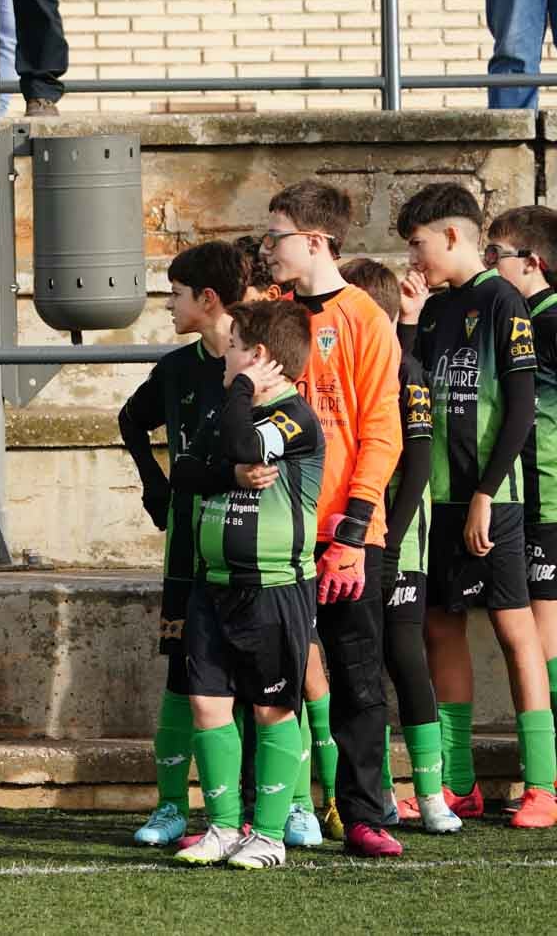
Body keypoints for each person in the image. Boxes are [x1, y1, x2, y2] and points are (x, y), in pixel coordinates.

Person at [396, 182, 557, 827]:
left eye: (418, 244)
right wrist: (407, 321)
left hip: (496, 501)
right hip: (438, 501)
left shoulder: (502, 302)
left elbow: (519, 408)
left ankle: (543, 784)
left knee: (517, 631)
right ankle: (457, 783)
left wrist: (487, 493)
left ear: (453, 236)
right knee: (441, 629)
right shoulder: (433, 309)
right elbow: (408, 387)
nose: (413, 258)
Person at [260, 181, 404, 857]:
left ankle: (366, 812)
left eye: (277, 236)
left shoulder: (367, 320)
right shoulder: (267, 315)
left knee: (356, 678)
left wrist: (350, 535)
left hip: (345, 537)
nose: (268, 249)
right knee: (262, 676)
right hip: (272, 530)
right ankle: (262, 815)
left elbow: (383, 433)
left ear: (314, 241)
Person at [171, 300, 324, 870]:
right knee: (207, 702)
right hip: (213, 585)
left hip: (274, 587)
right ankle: (221, 827)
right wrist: (229, 474)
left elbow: (245, 444)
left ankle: (269, 835)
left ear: (258, 358)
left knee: (271, 709)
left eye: (234, 347)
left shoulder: (293, 416)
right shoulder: (228, 411)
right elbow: (185, 472)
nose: (225, 357)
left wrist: (239, 396)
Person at [117, 241, 244, 847]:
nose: (169, 304)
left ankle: (275, 806)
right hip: (189, 548)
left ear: (208, 299)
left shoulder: (259, 364)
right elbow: (130, 420)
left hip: (251, 549)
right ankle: (170, 807)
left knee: (264, 680)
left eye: (176, 293)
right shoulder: (176, 368)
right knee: (180, 674)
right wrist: (156, 485)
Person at [339, 258, 462, 835]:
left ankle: (433, 793)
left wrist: (389, 539)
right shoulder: (354, 367)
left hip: (396, 540)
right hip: (352, 539)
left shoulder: (405, 370)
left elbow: (414, 467)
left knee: (404, 655)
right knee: (357, 664)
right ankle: (379, 792)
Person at [489, 207, 557, 722]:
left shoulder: (549, 323)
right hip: (526, 498)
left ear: (532, 263)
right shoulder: (520, 320)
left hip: (547, 499)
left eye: (498, 255)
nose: (490, 265)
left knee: (543, 641)